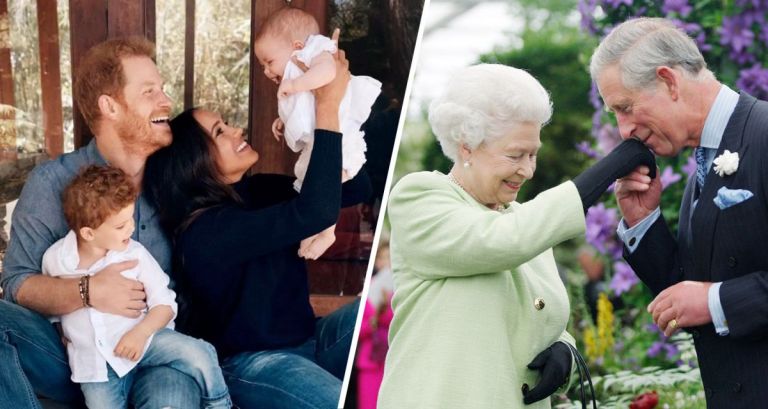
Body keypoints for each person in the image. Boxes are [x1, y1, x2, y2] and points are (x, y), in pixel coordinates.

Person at [377, 63, 656, 409]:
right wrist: (609, 168)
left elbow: (537, 317)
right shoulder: (419, 197)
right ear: (467, 146)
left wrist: (564, 352)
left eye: (533, 153)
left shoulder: (526, 222)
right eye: (515, 155)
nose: (527, 169)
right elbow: (502, 242)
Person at [143, 44, 361, 409]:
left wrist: (311, 126)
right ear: (195, 163)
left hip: (311, 339)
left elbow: (356, 188)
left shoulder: (257, 190)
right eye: (220, 131)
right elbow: (316, 212)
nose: (236, 130)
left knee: (388, 306)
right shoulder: (205, 232)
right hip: (253, 363)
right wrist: (326, 106)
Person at [0, 37, 202, 408]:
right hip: (76, 358)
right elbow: (16, 283)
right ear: (110, 106)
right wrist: (86, 291)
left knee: (171, 400)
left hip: (156, 351)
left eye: (163, 89)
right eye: (149, 91)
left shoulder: (176, 179)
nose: (166, 102)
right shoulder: (51, 182)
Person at [592, 17, 768, 407]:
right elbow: (686, 295)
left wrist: (716, 301)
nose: (623, 131)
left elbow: (707, 299)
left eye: (625, 107)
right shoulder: (700, 168)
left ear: (669, 81)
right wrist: (643, 222)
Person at [42, 165, 230, 408]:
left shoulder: (134, 254)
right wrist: (62, 333)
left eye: (130, 218)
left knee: (200, 353)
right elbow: (51, 308)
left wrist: (140, 334)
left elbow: (165, 303)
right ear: (88, 233)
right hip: (96, 366)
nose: (131, 228)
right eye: (120, 226)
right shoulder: (56, 260)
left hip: (147, 340)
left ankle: (220, 403)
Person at [254, 7, 381, 260]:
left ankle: (326, 232)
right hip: (323, 137)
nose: (267, 72)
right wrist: (283, 119)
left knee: (326, 184)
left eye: (269, 62)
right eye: (262, 66)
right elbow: (306, 107)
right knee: (312, 184)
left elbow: (327, 73)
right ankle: (317, 230)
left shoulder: (317, 52)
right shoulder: (298, 70)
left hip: (341, 135)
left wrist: (294, 84)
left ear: (297, 45)